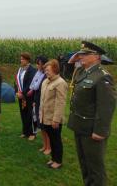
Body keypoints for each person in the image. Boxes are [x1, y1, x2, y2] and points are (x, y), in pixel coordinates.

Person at [67, 41, 116, 186]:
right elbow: (67, 73)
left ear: (96, 57)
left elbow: (106, 107)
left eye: (85, 54)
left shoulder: (102, 76)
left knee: (95, 168)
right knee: (84, 164)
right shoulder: (83, 71)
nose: (80, 56)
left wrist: (100, 131)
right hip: (80, 126)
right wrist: (71, 61)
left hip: (92, 130)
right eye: (80, 54)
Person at [40, 59, 68, 169]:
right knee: (51, 139)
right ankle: (53, 158)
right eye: (45, 70)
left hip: (54, 119)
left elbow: (60, 103)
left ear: (55, 69)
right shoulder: (46, 81)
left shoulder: (61, 83)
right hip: (46, 117)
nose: (46, 72)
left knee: (56, 140)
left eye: (47, 70)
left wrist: (56, 119)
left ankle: (58, 161)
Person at [29, 56, 51, 155]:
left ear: (44, 64)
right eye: (36, 63)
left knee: (46, 126)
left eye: (39, 63)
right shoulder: (38, 74)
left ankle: (49, 147)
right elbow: (35, 90)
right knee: (41, 125)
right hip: (38, 101)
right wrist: (34, 100)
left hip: (45, 103)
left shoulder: (47, 75)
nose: (37, 65)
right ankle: (44, 145)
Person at [15, 52, 37, 140]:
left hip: (29, 96)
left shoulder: (32, 70)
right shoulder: (20, 69)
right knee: (23, 114)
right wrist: (16, 92)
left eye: (23, 59)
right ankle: (25, 131)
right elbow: (16, 82)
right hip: (21, 96)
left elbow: (30, 84)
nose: (21, 60)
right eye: (20, 59)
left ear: (27, 60)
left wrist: (23, 94)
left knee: (30, 115)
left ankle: (32, 133)